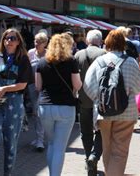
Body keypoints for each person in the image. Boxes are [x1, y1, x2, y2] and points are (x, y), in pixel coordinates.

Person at [83, 30, 140, 175]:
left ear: (107, 43)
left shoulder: (99, 61)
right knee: (120, 152)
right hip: (127, 112)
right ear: (123, 43)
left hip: (104, 112)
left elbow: (87, 85)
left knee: (107, 148)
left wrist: (99, 99)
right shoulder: (130, 61)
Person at [0, 28, 33, 176]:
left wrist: (5, 88)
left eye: (12, 38)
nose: (8, 41)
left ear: (18, 42)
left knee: (10, 146)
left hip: (14, 105)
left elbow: (23, 85)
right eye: (6, 38)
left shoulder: (23, 59)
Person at [36, 33, 82, 176]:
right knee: (59, 147)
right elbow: (77, 85)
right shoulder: (71, 61)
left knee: (51, 143)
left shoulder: (41, 62)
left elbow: (38, 86)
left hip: (45, 107)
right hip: (65, 108)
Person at [74, 30, 106, 175]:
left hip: (83, 98)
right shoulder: (105, 54)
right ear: (100, 40)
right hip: (101, 100)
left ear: (87, 41)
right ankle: (94, 156)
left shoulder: (78, 55)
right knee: (101, 131)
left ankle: (89, 158)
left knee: (85, 131)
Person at [26, 32, 48, 151]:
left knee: (41, 112)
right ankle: (39, 137)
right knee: (35, 112)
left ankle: (40, 139)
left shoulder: (49, 54)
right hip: (32, 86)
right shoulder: (30, 53)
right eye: (35, 41)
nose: (36, 44)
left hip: (45, 87)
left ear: (45, 43)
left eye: (39, 42)